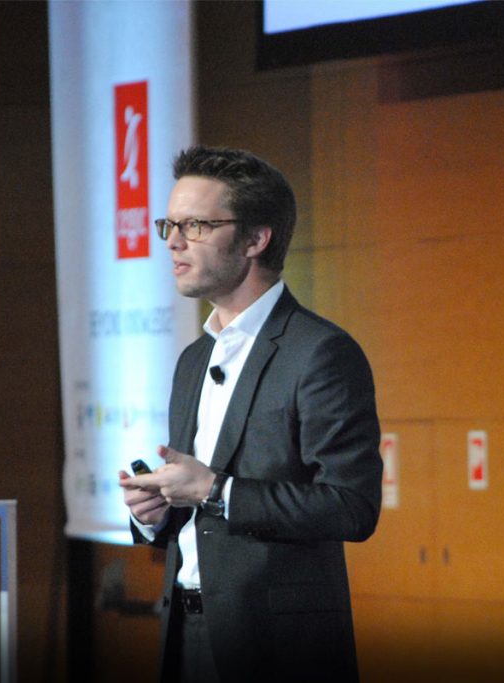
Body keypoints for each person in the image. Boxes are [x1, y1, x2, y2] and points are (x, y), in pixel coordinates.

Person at [118, 145, 382, 683]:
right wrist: (155, 514)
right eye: (170, 224)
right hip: (185, 633)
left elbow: (352, 507)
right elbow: (202, 523)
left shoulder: (320, 352)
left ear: (256, 239)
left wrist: (216, 490)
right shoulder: (194, 358)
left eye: (195, 225)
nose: (172, 241)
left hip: (277, 648)